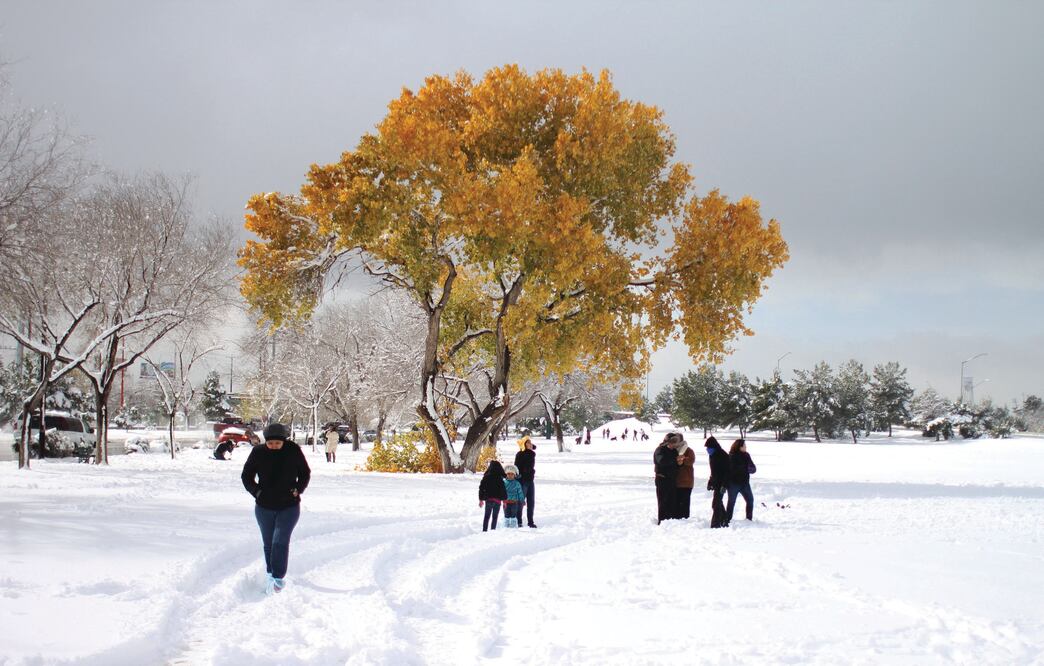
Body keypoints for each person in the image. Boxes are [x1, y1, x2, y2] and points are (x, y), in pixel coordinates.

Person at [241, 423, 311, 595]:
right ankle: (270, 575)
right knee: (268, 543)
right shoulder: (258, 452)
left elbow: (305, 472)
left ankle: (278, 579)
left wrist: (298, 489)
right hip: (264, 506)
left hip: (289, 506)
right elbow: (246, 476)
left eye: (277, 444)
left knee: (279, 541)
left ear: (284, 441)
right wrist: (256, 492)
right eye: (270, 443)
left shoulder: (293, 450)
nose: (273, 446)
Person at [726, 439, 757, 522]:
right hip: (733, 483)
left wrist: (750, 468)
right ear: (739, 447)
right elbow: (731, 470)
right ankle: (727, 519)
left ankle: (749, 519)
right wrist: (744, 468)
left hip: (745, 483)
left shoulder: (747, 455)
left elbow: (753, 468)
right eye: (744, 446)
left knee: (750, 500)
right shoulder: (731, 456)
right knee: (731, 502)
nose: (746, 447)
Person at [653, 433, 680, 524]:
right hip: (662, 479)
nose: (674, 444)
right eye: (673, 442)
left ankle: (671, 520)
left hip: (672, 479)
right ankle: (662, 521)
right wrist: (674, 460)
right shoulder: (660, 450)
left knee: (671, 501)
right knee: (663, 501)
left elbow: (677, 464)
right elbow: (662, 461)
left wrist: (680, 462)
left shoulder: (674, 451)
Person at [705, 436, 731, 528]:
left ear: (714, 447)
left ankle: (715, 524)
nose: (708, 450)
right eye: (707, 448)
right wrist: (710, 482)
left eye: (709, 448)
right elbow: (713, 471)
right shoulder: (712, 456)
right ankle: (724, 520)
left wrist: (724, 485)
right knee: (718, 503)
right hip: (716, 483)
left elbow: (728, 472)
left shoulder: (723, 455)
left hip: (722, 483)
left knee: (715, 504)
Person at [513, 437, 538, 527]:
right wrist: (522, 474)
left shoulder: (531, 454)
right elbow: (516, 468)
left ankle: (530, 522)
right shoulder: (520, 454)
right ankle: (519, 521)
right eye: (528, 443)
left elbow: (530, 467)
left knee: (531, 502)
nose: (530, 444)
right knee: (521, 502)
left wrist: (531, 472)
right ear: (524, 445)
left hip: (530, 480)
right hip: (522, 481)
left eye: (530, 442)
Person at [479, 460, 507, 531]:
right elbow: (503, 490)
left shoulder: (486, 477)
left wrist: (481, 499)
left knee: (486, 516)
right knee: (495, 517)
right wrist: (504, 501)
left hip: (488, 500)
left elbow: (481, 488)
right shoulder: (500, 479)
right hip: (497, 501)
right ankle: (492, 530)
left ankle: (484, 530)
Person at [674, 436, 696, 518]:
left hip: (686, 482)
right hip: (676, 481)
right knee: (677, 502)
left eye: (676, 440)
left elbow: (691, 460)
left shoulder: (688, 450)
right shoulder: (673, 450)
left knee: (685, 502)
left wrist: (682, 459)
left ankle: (685, 518)